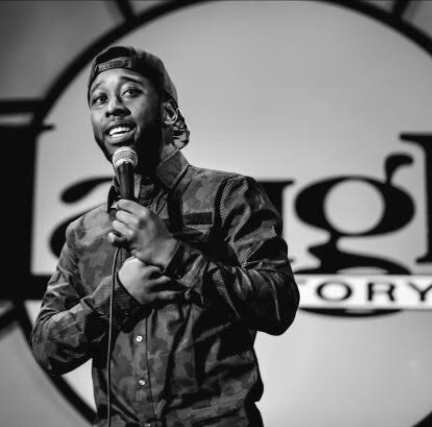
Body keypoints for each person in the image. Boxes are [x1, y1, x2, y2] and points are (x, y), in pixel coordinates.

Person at [31, 45, 300, 427]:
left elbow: (278, 303)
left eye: (130, 91)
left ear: (169, 112)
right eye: (99, 99)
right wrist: (120, 295)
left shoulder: (228, 195)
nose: (113, 107)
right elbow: (46, 349)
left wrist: (172, 254)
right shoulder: (84, 234)